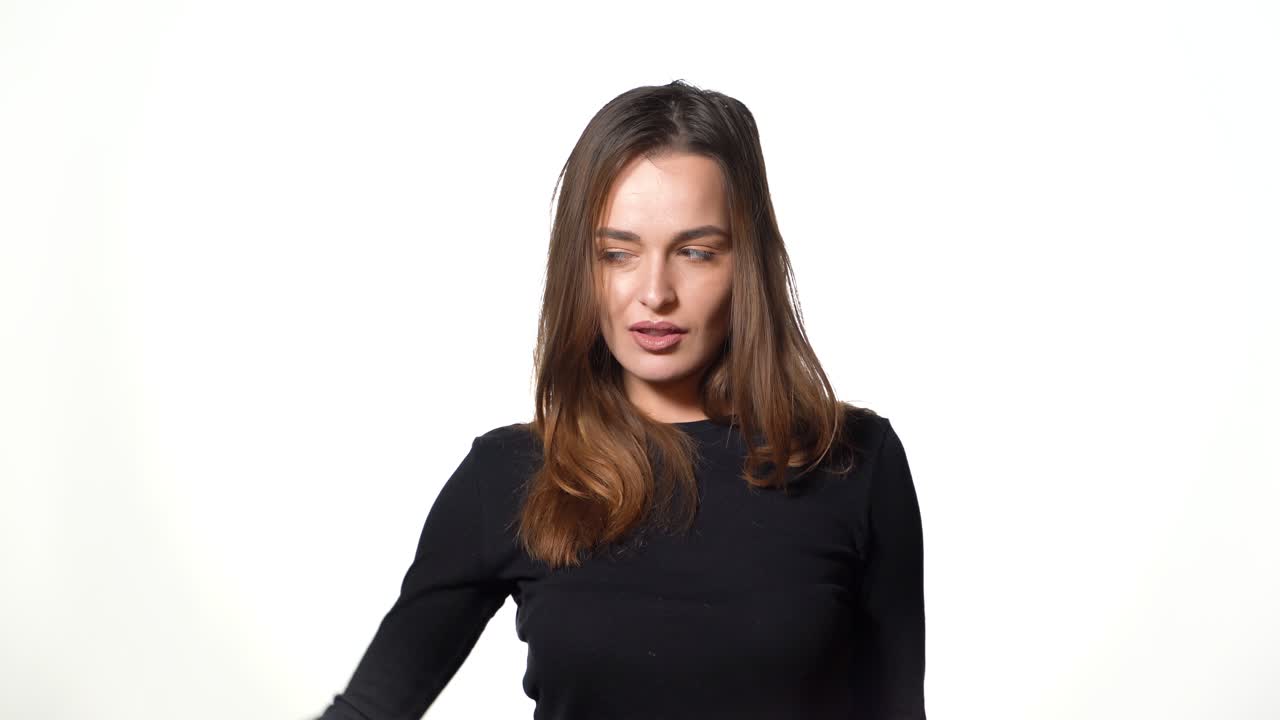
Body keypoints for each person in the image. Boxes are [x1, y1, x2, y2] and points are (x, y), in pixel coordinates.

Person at [315, 79, 926, 719]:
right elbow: (368, 711)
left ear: (747, 264)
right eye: (617, 253)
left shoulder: (854, 462)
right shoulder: (510, 475)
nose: (655, 292)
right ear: (581, 265)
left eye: (695, 252)